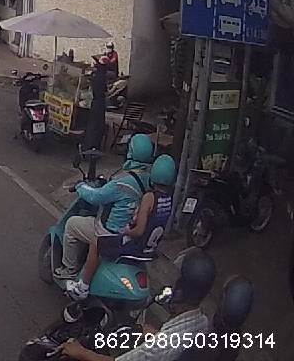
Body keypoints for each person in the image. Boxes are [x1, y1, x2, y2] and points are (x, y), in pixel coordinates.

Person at [59, 248, 215, 361]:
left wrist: (80, 353)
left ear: (179, 293)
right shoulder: (202, 322)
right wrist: (158, 335)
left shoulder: (158, 347)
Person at [67, 154, 176, 300]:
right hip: (149, 249)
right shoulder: (168, 199)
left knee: (96, 244)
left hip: (134, 244)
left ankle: (82, 287)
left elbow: (139, 230)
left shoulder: (149, 197)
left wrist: (127, 231)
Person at [56, 134, 156, 282]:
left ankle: (69, 270)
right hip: (130, 234)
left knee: (71, 225)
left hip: (110, 233)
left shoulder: (123, 182)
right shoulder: (150, 179)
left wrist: (80, 186)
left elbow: (96, 197)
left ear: (130, 153)